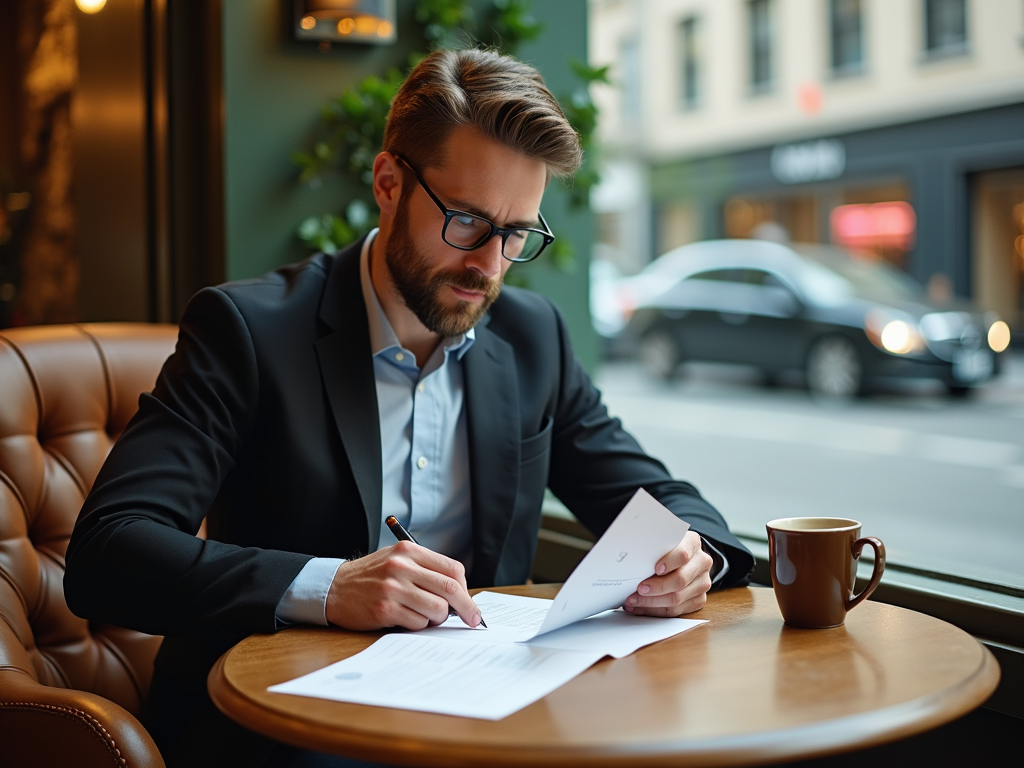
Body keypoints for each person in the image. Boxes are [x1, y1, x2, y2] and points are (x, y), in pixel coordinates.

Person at [64, 48, 754, 767]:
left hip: (483, 726)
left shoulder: (532, 339)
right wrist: (331, 587)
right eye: (467, 222)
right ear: (389, 182)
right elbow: (109, 552)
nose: (489, 265)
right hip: (283, 730)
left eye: (517, 234)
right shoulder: (248, 331)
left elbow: (664, 500)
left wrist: (692, 556)